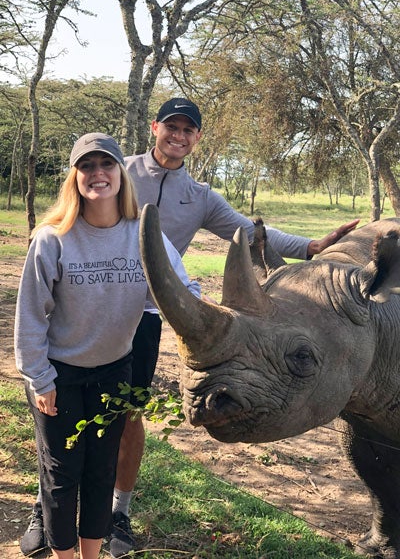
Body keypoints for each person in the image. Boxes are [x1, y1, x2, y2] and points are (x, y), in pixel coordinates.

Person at [21, 101, 359, 559]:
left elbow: (247, 231)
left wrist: (308, 246)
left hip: (145, 314)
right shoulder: (119, 170)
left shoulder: (199, 196)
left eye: (188, 130)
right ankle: (49, 505)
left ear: (196, 138)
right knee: (60, 428)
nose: (178, 136)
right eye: (171, 127)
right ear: (155, 128)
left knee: (127, 417)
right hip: (83, 312)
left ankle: (117, 509)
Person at [15, 132, 200, 559]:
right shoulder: (52, 237)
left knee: (100, 472)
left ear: (121, 172)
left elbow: (179, 287)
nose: (98, 174)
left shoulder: (143, 233)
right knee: (63, 475)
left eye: (107, 164)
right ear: (75, 177)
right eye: (87, 166)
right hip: (59, 376)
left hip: (114, 372)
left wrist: (210, 313)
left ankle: (91, 555)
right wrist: (40, 380)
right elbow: (30, 317)